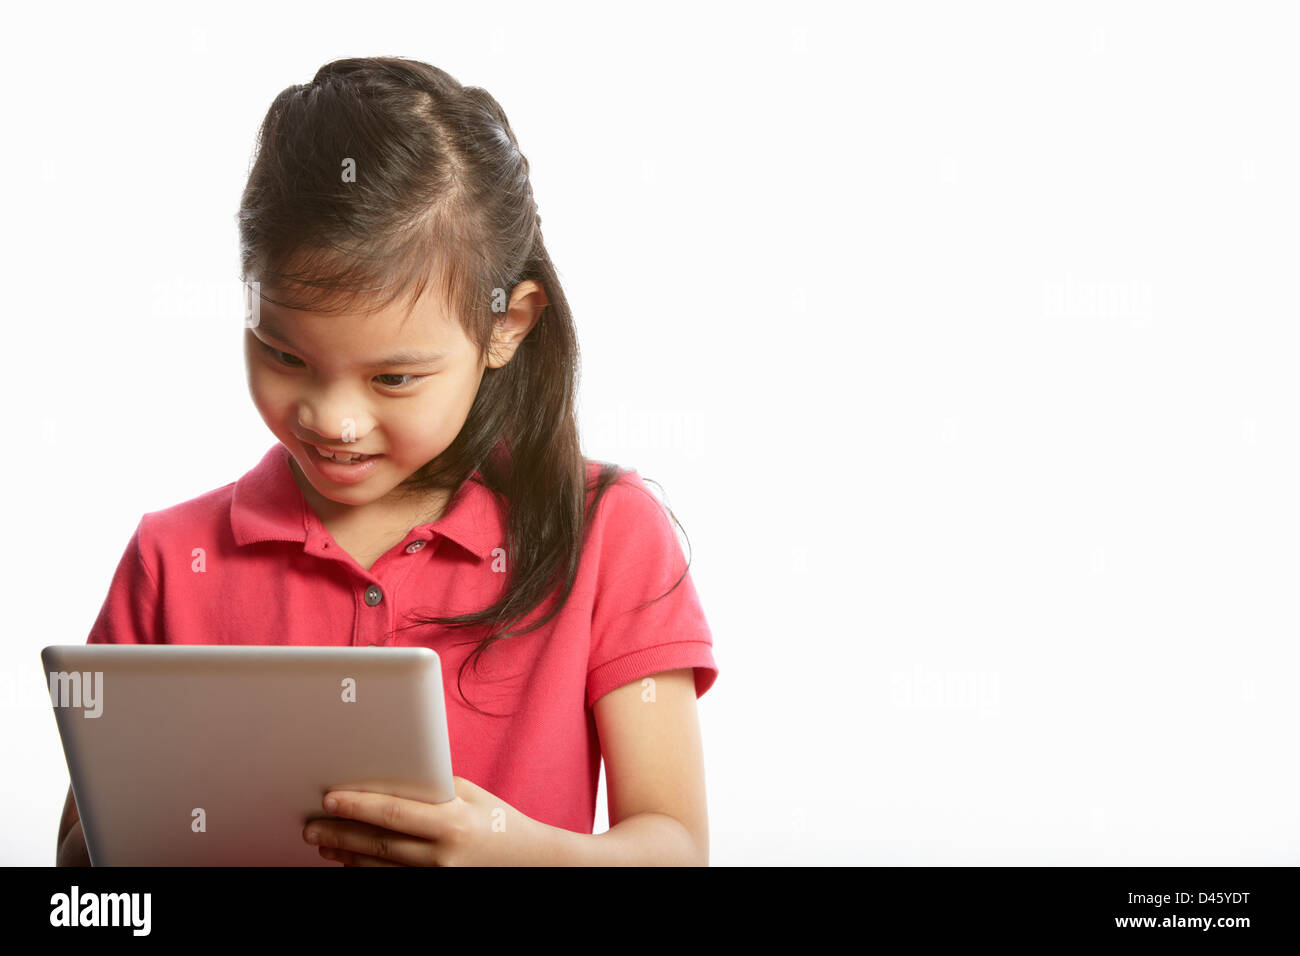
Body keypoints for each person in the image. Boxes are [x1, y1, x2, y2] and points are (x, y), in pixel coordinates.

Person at [56, 56, 717, 867]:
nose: (333, 420)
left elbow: (676, 847)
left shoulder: (608, 533)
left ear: (506, 328)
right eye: (283, 355)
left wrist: (510, 851)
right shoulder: (171, 558)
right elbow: (77, 867)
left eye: (394, 378)